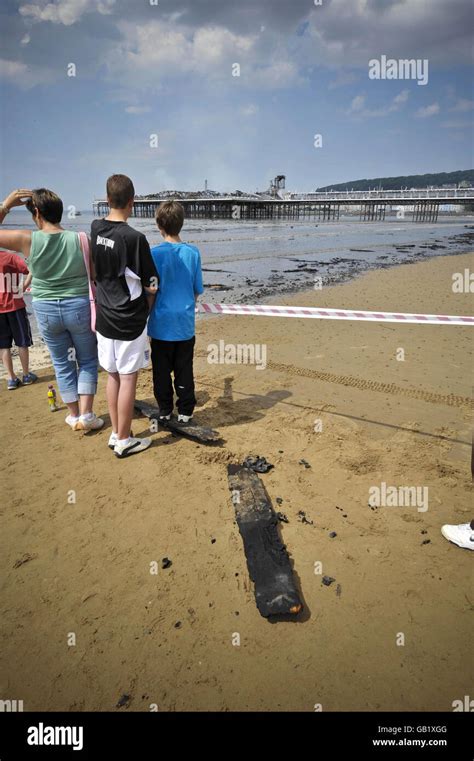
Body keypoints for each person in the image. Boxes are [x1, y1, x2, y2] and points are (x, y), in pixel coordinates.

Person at [0, 188, 102, 431]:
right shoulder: (80, 239)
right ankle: (87, 415)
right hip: (78, 306)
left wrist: (5, 206)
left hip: (45, 309)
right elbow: (95, 275)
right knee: (87, 360)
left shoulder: (28, 240)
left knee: (61, 362)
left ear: (36, 213)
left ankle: (73, 415)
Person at [90, 174, 158, 458]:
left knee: (112, 376)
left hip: (105, 317)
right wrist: (149, 306)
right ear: (133, 201)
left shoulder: (95, 228)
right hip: (129, 320)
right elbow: (151, 282)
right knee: (129, 377)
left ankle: (117, 432)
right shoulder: (135, 238)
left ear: (107, 200)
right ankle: (124, 440)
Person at [147, 200, 204, 423]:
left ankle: (164, 409)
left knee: (160, 370)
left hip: (161, 324)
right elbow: (196, 290)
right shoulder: (193, 253)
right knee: (184, 369)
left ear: (158, 225)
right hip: (184, 323)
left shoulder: (153, 254)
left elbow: (150, 291)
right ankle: (185, 411)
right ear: (182, 224)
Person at [0, 248, 37, 389]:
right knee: (22, 342)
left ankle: (11, 378)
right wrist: (25, 284)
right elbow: (32, 268)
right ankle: (26, 375)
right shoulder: (10, 257)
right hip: (15, 304)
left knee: (3, 345)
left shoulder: (10, 257)